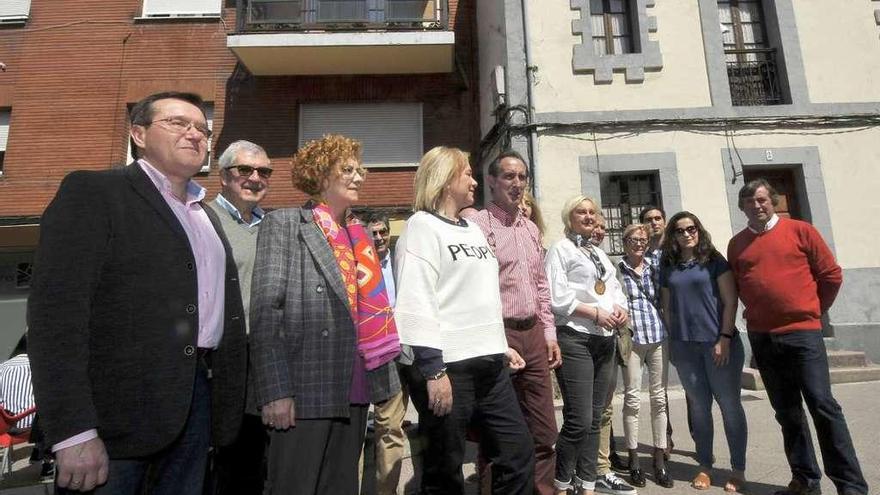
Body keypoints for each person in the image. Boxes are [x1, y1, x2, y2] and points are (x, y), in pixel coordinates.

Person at [28, 91, 247, 494]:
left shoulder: (207, 217)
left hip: (196, 410)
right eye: (178, 123)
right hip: (114, 426)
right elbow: (56, 318)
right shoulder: (94, 193)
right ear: (139, 134)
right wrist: (73, 431)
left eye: (202, 128)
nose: (195, 134)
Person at [250, 134, 401, 494]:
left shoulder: (360, 235)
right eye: (347, 169)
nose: (359, 176)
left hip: (354, 386)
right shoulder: (286, 223)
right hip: (303, 390)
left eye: (359, 170)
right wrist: (275, 391)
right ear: (321, 174)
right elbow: (266, 312)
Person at [393, 146, 535, 495]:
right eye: (467, 173)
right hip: (448, 368)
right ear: (444, 179)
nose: (474, 181)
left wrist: (500, 347)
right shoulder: (421, 227)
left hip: (490, 367)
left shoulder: (470, 230)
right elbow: (416, 300)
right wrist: (433, 370)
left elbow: (480, 296)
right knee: (446, 471)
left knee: (518, 454)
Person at [727, 179, 867, 495]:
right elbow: (740, 286)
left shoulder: (801, 231)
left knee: (822, 406)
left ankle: (851, 486)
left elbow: (831, 275)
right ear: (742, 207)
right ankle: (804, 480)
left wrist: (812, 310)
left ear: (773, 201)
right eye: (749, 201)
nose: (756, 205)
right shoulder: (737, 244)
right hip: (763, 337)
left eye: (762, 199)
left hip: (803, 335)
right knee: (787, 413)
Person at [466, 151, 560, 495]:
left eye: (522, 177)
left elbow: (540, 285)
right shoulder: (477, 226)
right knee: (496, 435)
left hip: (533, 334)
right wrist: (492, 339)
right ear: (491, 181)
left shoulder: (531, 228)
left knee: (545, 431)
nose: (517, 184)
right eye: (508, 176)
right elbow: (473, 288)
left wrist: (549, 332)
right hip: (497, 335)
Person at [545, 195, 634, 495]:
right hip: (575, 338)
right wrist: (594, 312)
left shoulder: (598, 252)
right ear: (568, 218)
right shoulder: (561, 249)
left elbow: (614, 290)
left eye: (592, 212)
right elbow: (556, 297)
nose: (588, 216)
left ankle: (587, 485)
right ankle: (561, 483)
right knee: (579, 419)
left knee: (595, 418)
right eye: (580, 212)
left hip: (604, 340)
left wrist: (621, 309)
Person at [659, 211, 747, 492]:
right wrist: (672, 342)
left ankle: (738, 469)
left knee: (730, 406)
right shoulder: (669, 265)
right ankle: (705, 466)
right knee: (699, 408)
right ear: (673, 235)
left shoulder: (715, 261)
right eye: (680, 230)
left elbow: (730, 301)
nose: (687, 234)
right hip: (685, 347)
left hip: (718, 344)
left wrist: (724, 337)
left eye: (691, 228)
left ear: (699, 230)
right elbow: (667, 307)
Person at [205, 140, 272, 495]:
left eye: (263, 172)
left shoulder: (273, 227)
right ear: (224, 176)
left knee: (253, 461)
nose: (254, 178)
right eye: (244, 170)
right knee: (221, 463)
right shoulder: (203, 220)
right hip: (218, 360)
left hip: (265, 359)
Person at [617, 224, 672, 489]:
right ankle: (634, 459)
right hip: (633, 340)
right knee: (632, 399)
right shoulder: (617, 269)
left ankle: (660, 458)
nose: (638, 243)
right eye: (633, 239)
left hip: (658, 336)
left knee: (659, 398)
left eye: (642, 240)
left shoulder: (654, 266)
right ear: (624, 242)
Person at [366, 212, 410, 495]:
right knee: (380, 426)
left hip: (404, 351)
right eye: (374, 233)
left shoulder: (399, 260)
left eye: (383, 232)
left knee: (391, 427)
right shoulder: (358, 267)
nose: (379, 238)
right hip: (373, 351)